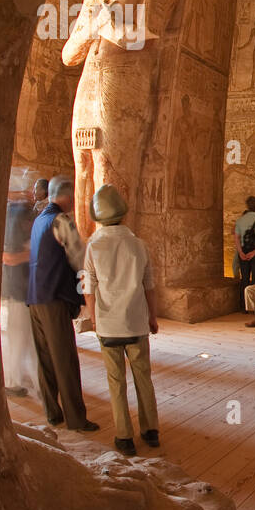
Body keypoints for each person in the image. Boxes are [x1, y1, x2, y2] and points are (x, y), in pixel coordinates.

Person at [82, 184, 159, 456]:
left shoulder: (94, 246)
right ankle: (151, 431)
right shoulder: (138, 244)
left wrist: (94, 320)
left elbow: (89, 288)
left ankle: (124, 437)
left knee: (115, 381)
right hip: (136, 321)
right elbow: (148, 284)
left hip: (108, 323)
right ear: (123, 213)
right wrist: (152, 315)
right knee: (143, 377)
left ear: (98, 216)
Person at [26, 175, 97, 431]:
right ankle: (77, 419)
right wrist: (85, 298)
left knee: (45, 359)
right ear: (66, 196)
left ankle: (52, 413)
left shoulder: (38, 221)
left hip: (34, 298)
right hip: (54, 299)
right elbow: (80, 264)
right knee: (65, 360)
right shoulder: (62, 222)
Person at [0, 169, 40, 399]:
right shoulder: (17, 215)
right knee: (20, 337)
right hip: (20, 286)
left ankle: (30, 381)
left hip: (21, 286)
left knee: (24, 337)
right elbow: (9, 256)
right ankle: (15, 381)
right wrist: (35, 254)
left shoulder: (19, 214)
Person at [233, 196, 255, 308]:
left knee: (245, 278)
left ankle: (244, 306)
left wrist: (241, 252)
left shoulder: (240, 220)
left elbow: (236, 238)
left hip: (243, 250)